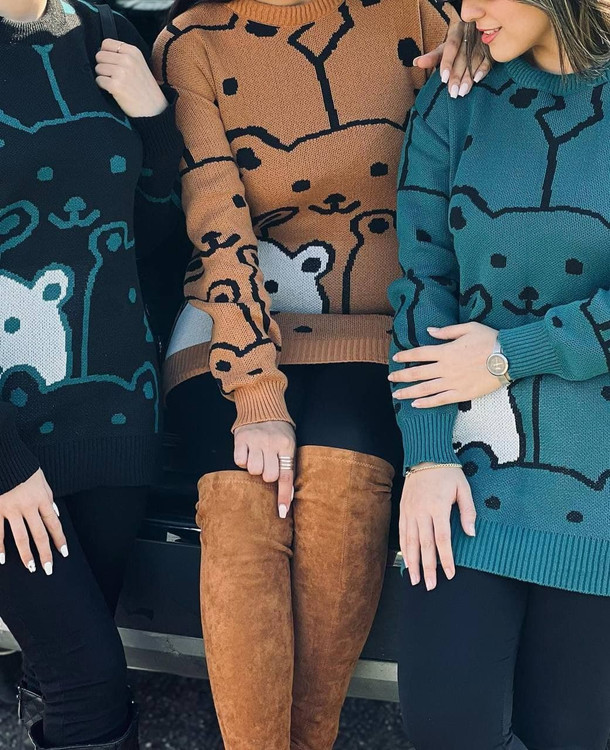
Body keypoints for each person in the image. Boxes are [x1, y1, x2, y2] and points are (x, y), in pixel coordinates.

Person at [152, 0, 487, 747]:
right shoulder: (193, 39)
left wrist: (480, 62)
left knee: (339, 489)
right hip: (229, 317)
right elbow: (216, 221)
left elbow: (467, 158)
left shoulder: (417, 16)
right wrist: (256, 393)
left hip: (373, 321)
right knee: (244, 501)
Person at [389, 1, 610, 747]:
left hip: (599, 488)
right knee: (445, 729)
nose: (466, 9)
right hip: (470, 470)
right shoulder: (457, 92)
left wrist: (511, 354)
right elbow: (422, 280)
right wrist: (426, 457)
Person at [0, 0, 183, 746]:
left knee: (71, 665)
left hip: (115, 414)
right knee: (89, 683)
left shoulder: (107, 35)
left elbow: (157, 230)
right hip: (10, 446)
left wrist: (154, 118)